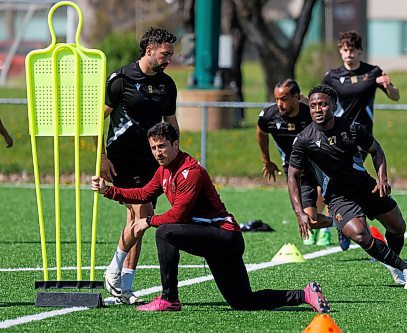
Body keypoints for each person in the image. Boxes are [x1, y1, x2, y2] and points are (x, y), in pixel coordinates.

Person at [91, 122, 330, 313]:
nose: (158, 153)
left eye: (162, 146)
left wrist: (148, 221)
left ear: (175, 144)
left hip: (224, 236)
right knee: (242, 301)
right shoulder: (164, 170)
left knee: (165, 232)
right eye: (153, 148)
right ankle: (304, 294)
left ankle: (169, 299)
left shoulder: (190, 172)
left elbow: (177, 215)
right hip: (214, 240)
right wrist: (108, 190)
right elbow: (144, 193)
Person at [287, 85, 407, 289]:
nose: (317, 109)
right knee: (359, 234)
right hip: (338, 197)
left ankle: (393, 263)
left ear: (333, 105)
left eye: (322, 104)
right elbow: (292, 176)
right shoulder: (304, 140)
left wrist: (382, 178)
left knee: (398, 227)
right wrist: (299, 212)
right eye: (313, 106)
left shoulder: (351, 128)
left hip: (366, 186)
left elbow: (376, 150)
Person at [99, 27, 179, 305]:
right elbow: (98, 120)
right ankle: (112, 271)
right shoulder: (121, 79)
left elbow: (171, 123)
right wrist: (101, 158)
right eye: (165, 53)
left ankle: (126, 286)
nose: (169, 58)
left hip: (152, 159)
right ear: (149, 50)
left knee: (138, 221)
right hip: (122, 157)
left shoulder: (167, 85)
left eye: (170, 54)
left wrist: (176, 158)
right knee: (142, 215)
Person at [321, 31, 400, 250]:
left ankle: (346, 222)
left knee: (348, 178)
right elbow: (319, 98)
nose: (348, 54)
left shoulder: (372, 72)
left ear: (359, 51)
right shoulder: (332, 76)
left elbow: (395, 96)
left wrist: (389, 85)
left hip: (361, 137)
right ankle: (344, 223)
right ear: (340, 50)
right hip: (337, 137)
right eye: (345, 50)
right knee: (340, 179)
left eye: (352, 50)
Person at [257, 78, 332, 246]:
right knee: (309, 220)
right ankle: (337, 224)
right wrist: (266, 160)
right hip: (296, 172)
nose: (279, 104)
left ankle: (343, 223)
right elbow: (261, 132)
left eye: (283, 99)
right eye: (276, 99)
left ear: (296, 97)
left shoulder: (312, 115)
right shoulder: (268, 116)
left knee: (330, 196)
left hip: (321, 166)